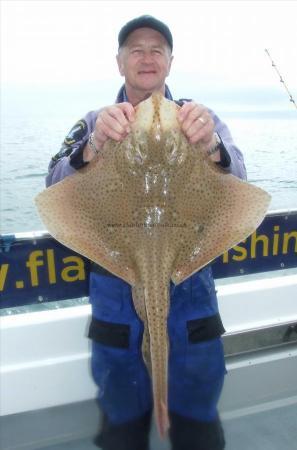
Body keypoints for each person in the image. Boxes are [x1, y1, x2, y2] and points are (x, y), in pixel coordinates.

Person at [46, 15, 246, 450]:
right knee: (122, 430)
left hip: (192, 299)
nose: (147, 56)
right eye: (135, 49)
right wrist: (95, 145)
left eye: (157, 49)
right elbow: (54, 187)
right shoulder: (93, 122)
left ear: (171, 62)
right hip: (116, 300)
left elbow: (241, 183)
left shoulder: (202, 119)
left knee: (198, 427)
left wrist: (211, 146)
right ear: (119, 63)